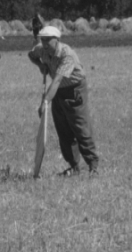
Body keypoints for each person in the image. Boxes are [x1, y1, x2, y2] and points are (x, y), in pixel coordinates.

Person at [28, 26, 99, 176]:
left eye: (48, 40)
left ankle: (93, 166)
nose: (45, 43)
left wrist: (45, 102)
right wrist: (41, 65)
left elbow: (58, 79)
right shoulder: (42, 49)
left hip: (74, 89)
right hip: (58, 91)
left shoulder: (67, 55)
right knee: (63, 129)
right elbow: (31, 54)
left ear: (57, 40)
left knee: (80, 126)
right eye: (43, 39)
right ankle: (74, 167)